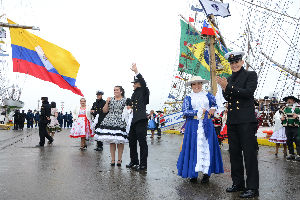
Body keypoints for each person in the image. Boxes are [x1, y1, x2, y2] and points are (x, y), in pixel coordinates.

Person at [217, 51, 259, 198]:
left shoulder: (250, 75)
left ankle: (253, 187)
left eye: (236, 62)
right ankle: (238, 183)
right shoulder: (229, 78)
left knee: (249, 154)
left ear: (242, 62)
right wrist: (224, 88)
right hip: (233, 121)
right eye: (232, 63)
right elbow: (228, 97)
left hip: (246, 120)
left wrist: (228, 87)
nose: (234, 65)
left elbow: (248, 93)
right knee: (234, 154)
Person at [177, 76, 224, 183]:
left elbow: (215, 104)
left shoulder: (208, 95)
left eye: (199, 84)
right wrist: (199, 111)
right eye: (194, 84)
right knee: (193, 147)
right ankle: (193, 174)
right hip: (193, 125)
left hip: (207, 124)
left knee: (207, 147)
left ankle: (206, 173)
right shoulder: (188, 97)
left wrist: (212, 109)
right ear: (191, 86)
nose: (197, 86)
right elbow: (185, 111)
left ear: (202, 84)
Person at [94, 86, 127, 166]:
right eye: (114, 90)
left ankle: (119, 159)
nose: (115, 91)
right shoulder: (110, 99)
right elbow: (105, 110)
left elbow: (127, 111)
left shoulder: (125, 100)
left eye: (117, 90)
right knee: (112, 141)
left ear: (121, 91)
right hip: (110, 120)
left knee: (120, 141)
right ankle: (112, 160)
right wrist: (107, 102)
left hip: (120, 120)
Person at [126, 63, 150, 171]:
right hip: (133, 120)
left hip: (141, 120)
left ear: (139, 83)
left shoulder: (144, 90)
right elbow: (131, 104)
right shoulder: (134, 93)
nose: (133, 85)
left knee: (142, 142)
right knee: (132, 141)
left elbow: (143, 82)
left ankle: (143, 164)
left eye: (135, 83)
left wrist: (136, 71)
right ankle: (134, 161)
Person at [281, 96, 300, 161]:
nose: (289, 101)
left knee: (298, 140)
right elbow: (279, 116)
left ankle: (299, 154)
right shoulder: (284, 108)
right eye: (288, 100)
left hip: (296, 127)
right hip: (287, 127)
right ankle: (291, 154)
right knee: (289, 140)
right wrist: (281, 118)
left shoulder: (298, 108)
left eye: (290, 100)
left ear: (294, 101)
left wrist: (298, 116)